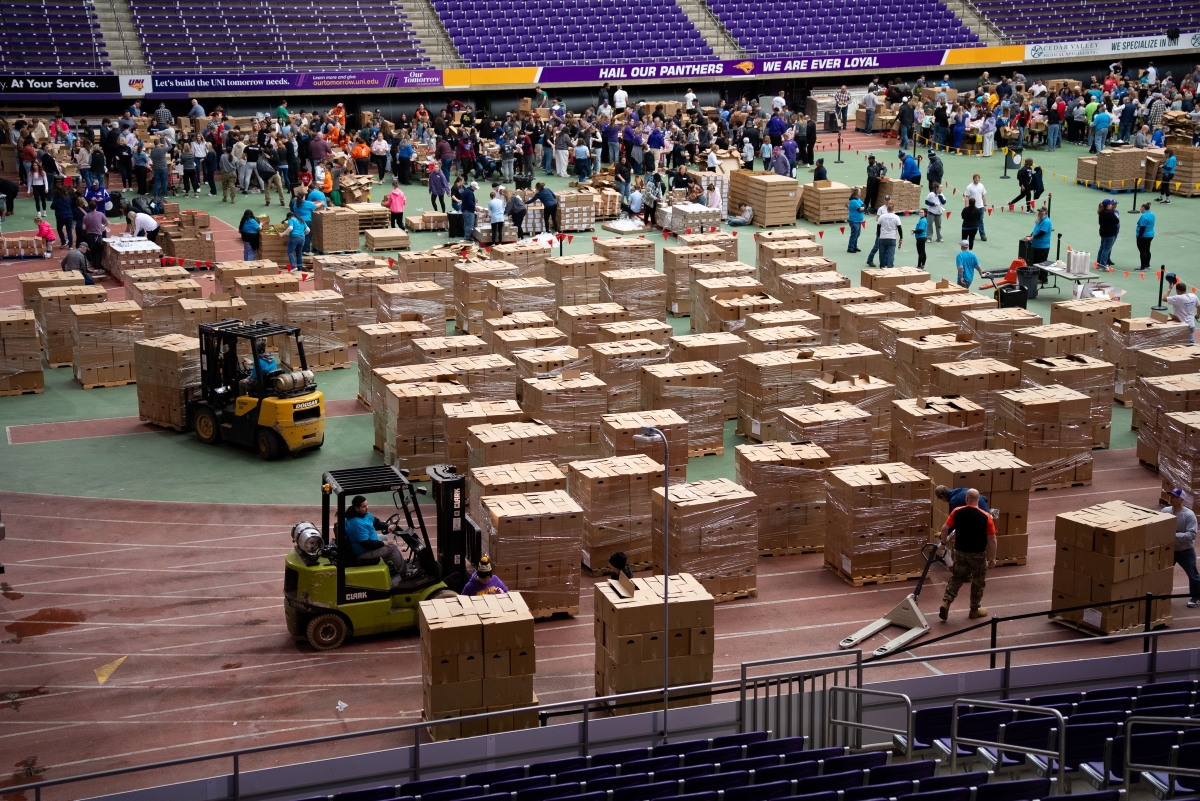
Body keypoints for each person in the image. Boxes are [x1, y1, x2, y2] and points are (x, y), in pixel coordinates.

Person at [938, 488, 996, 620]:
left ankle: (946, 602)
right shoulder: (986, 516)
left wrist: (943, 542)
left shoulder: (957, 512)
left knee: (957, 577)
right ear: (979, 499)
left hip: (960, 551)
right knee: (978, 581)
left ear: (966, 499)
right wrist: (993, 558)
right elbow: (992, 539)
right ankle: (974, 609)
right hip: (978, 553)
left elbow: (944, 528)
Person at [343, 495, 407, 587]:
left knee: (384, 537)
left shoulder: (364, 514)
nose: (367, 508)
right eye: (364, 506)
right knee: (392, 547)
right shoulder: (357, 523)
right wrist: (382, 544)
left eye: (367, 505)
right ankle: (404, 573)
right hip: (363, 551)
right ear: (356, 508)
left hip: (367, 543)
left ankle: (391, 567)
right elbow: (366, 544)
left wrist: (387, 526)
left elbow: (375, 522)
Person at [1163, 488, 1200, 608]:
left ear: (1182, 499)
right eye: (1170, 496)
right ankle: (1161, 596)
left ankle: (1196, 598)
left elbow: (1191, 534)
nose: (1171, 498)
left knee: (1193, 575)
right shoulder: (1165, 511)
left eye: (1174, 496)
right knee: (1162, 573)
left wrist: (1173, 536)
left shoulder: (1189, 515)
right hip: (1169, 551)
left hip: (1186, 552)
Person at [1096, 199, 1120, 270]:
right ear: (1108, 205)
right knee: (1106, 249)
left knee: (1102, 248)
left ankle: (1099, 263)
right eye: (1110, 204)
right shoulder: (1109, 213)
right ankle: (1103, 265)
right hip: (1109, 233)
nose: (1111, 205)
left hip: (1103, 232)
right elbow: (1116, 221)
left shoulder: (1101, 212)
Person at [963, 174, 988, 242]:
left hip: (980, 207)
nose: (977, 179)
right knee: (971, 221)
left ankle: (982, 235)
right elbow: (967, 197)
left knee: (980, 221)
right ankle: (971, 234)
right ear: (973, 179)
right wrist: (966, 207)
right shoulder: (969, 187)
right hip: (972, 207)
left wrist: (985, 205)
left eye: (978, 178)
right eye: (975, 178)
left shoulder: (981, 186)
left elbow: (983, 196)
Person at [1135, 202, 1155, 272]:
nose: (1140, 209)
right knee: (1147, 250)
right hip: (1150, 234)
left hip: (1144, 235)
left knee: (1142, 251)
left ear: (1143, 208)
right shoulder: (1152, 214)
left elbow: (1142, 227)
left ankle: (1143, 267)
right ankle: (1147, 264)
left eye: (1140, 207)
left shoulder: (1144, 216)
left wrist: (1140, 236)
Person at [847, 188, 864, 253]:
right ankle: (850, 247)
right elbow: (860, 209)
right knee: (854, 234)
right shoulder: (853, 201)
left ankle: (854, 246)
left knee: (857, 234)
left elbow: (863, 205)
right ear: (857, 193)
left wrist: (862, 207)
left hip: (858, 220)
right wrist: (862, 208)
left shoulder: (858, 199)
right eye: (860, 192)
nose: (860, 193)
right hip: (854, 220)